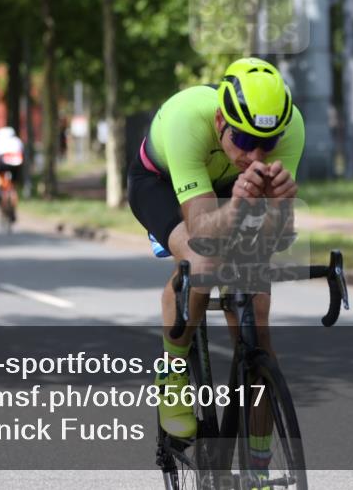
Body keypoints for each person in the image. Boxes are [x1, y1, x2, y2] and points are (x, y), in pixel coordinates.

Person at [127, 57, 304, 451]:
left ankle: (259, 468)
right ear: (222, 120)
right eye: (244, 140)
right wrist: (238, 208)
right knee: (202, 262)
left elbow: (273, 238)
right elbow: (203, 229)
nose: (255, 156)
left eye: (267, 144)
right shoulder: (187, 119)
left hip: (231, 188)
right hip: (161, 184)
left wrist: (280, 207)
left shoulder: (292, 127)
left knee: (256, 321)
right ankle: (173, 370)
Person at [0, 126, 24, 216]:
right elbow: (21, 152)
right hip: (16, 164)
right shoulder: (17, 141)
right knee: (13, 186)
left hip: (2, 165)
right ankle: (13, 206)